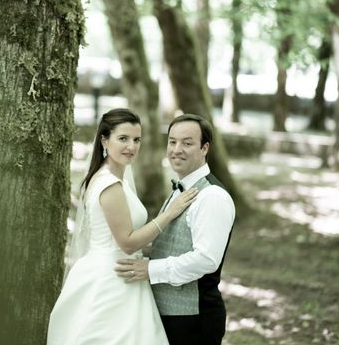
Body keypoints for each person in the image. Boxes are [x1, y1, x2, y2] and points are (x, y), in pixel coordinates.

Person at [47, 108, 198, 345]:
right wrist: (170, 213)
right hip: (112, 277)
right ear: (104, 140)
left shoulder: (115, 178)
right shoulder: (110, 185)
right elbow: (126, 242)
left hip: (124, 272)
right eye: (123, 138)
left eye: (136, 139)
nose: (132, 146)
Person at [115, 113, 236, 345]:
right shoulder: (181, 188)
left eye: (187, 143)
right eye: (172, 141)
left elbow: (206, 259)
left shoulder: (213, 197)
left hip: (194, 319)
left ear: (205, 148)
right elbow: (176, 243)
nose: (176, 149)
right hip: (171, 318)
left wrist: (150, 269)